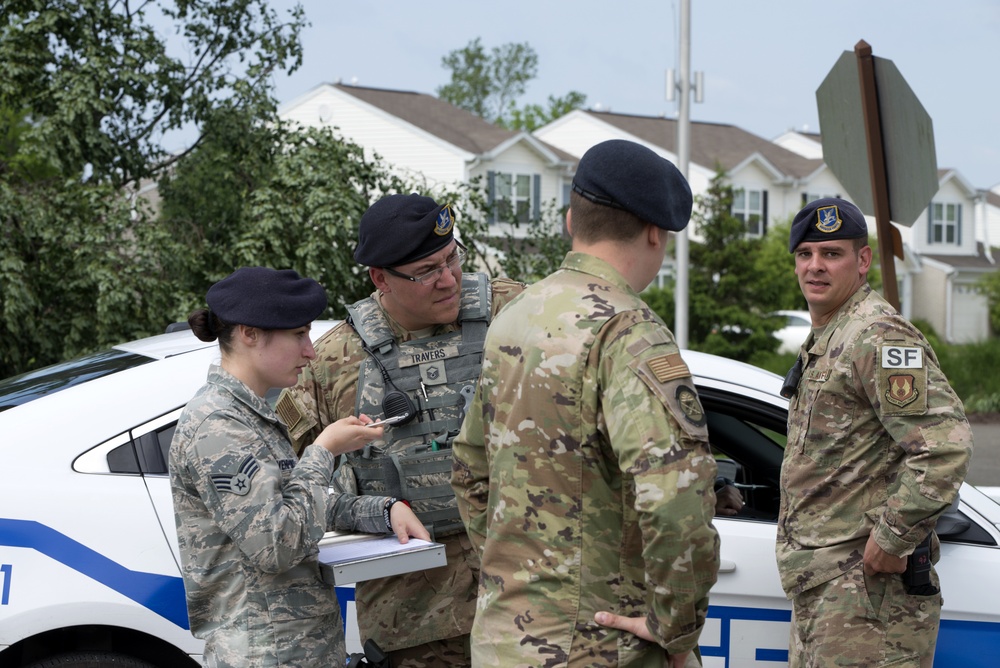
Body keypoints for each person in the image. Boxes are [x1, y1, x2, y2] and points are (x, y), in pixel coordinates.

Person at [451, 139, 721, 667]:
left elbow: (469, 469)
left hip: (502, 641)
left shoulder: (514, 315)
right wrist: (674, 628)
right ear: (654, 232)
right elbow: (674, 500)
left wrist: (518, 575)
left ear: (572, 220)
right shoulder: (628, 332)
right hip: (596, 646)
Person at [275, 194, 525, 667]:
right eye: (427, 270)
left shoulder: (517, 314)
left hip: (527, 602)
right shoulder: (331, 363)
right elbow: (292, 490)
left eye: (452, 257)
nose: (449, 279)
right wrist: (375, 510)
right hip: (415, 621)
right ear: (380, 278)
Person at [169, 266, 429, 668]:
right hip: (264, 655)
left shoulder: (253, 415)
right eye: (298, 335)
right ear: (248, 333)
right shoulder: (217, 426)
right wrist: (323, 450)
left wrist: (382, 510)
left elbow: (302, 504)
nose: (310, 350)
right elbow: (276, 543)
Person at [777, 198, 973, 667]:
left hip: (868, 598)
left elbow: (944, 447)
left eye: (832, 254)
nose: (815, 267)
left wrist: (892, 539)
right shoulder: (833, 335)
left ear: (862, 261)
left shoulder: (878, 336)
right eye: (805, 254)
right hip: (828, 589)